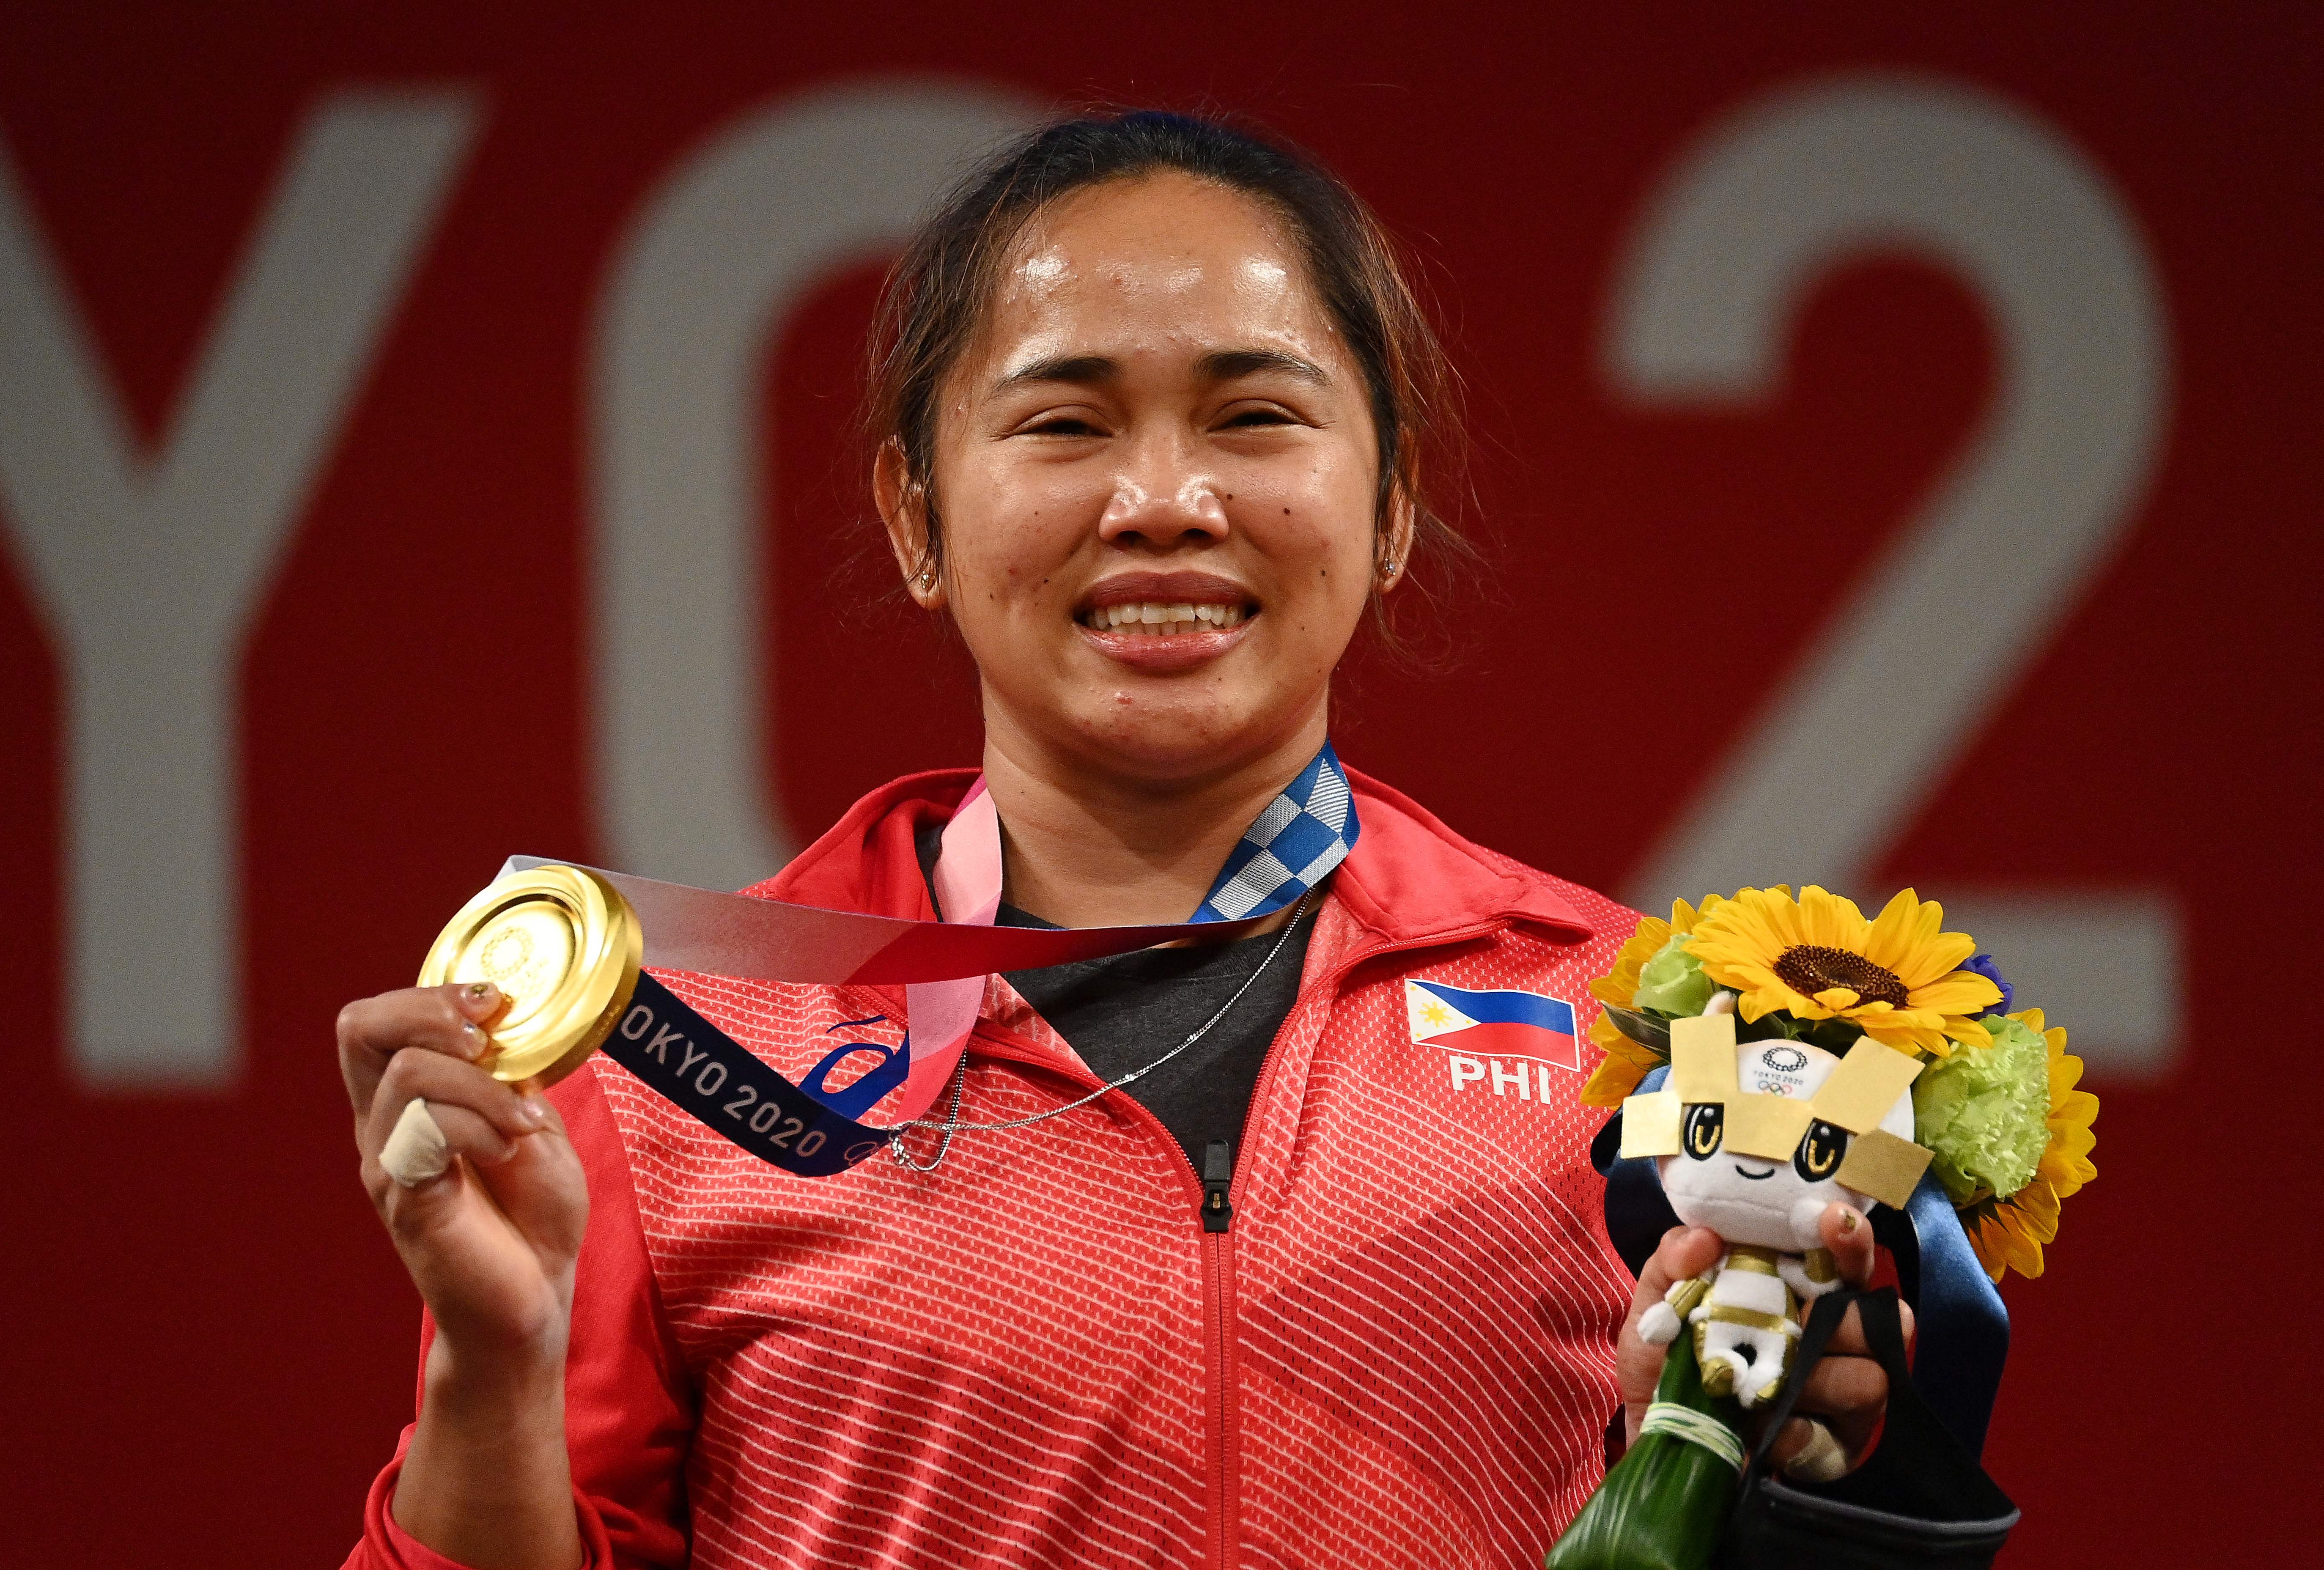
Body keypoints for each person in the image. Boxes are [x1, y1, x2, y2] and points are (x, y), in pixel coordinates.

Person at [337, 110, 1900, 1570]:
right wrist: (494, 1363)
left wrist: (1767, 1466)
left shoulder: (1634, 1036)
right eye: (1069, 422)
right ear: (916, 518)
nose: (1164, 500)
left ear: (1395, 499)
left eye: (1257, 415)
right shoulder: (679, 1060)